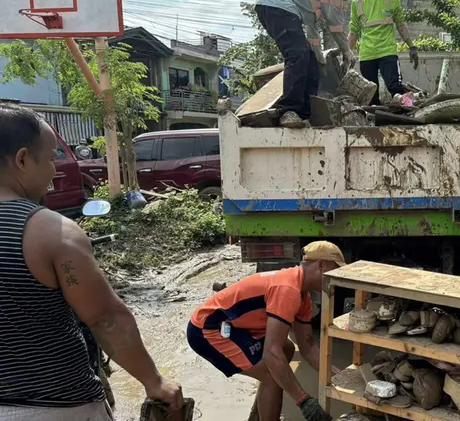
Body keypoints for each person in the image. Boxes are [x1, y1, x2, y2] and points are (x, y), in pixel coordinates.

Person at [0, 103, 183, 420]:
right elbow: (105, 319)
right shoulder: (51, 233)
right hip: (60, 406)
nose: (56, 169)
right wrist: (154, 381)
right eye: (53, 156)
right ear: (23, 159)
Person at [187, 241, 347, 421]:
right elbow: (271, 353)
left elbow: (308, 347)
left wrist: (340, 377)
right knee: (272, 375)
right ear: (320, 265)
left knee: (285, 349)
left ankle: (260, 414)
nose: (333, 280)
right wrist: (304, 400)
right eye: (333, 272)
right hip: (208, 328)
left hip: (235, 325)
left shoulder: (303, 296)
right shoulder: (287, 289)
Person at [255, 0, 368, 128]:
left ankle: (304, 115)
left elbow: (312, 28)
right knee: (298, 55)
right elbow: (332, 15)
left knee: (311, 64)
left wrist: (318, 55)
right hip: (276, 4)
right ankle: (288, 111)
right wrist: (346, 51)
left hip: (279, 7)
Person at [348, 0, 420, 105]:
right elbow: (353, 31)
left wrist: (411, 46)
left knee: (395, 88)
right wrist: (347, 55)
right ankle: (376, 123)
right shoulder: (357, 2)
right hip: (366, 55)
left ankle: (412, 110)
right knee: (372, 97)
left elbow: (400, 23)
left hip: (387, 52)